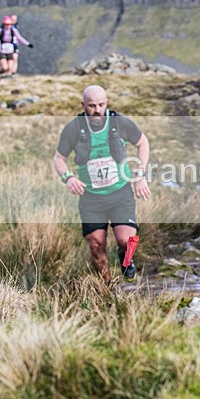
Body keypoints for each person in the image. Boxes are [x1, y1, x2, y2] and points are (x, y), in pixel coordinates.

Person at [53, 85, 151, 284]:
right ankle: (107, 287)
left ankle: (127, 260)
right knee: (96, 245)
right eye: (91, 106)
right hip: (91, 198)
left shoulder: (120, 123)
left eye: (100, 105)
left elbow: (143, 143)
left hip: (120, 192)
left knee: (127, 241)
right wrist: (69, 178)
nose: (96, 110)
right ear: (83, 105)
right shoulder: (73, 128)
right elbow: (58, 158)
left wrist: (139, 175)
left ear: (106, 103)